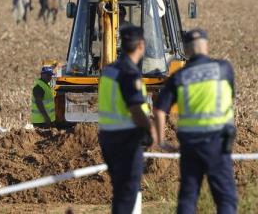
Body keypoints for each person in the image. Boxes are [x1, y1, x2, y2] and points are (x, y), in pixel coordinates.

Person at [154, 29, 237, 214]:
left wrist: (161, 142)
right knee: (225, 197)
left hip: (190, 144)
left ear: (187, 50)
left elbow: (159, 111)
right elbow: (230, 97)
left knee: (188, 196)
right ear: (206, 46)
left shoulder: (179, 77)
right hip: (218, 142)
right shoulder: (224, 69)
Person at [97, 26, 155, 214]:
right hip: (127, 141)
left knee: (121, 192)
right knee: (128, 193)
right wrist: (151, 130)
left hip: (107, 138)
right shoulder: (129, 73)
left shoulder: (108, 71)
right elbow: (136, 109)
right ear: (141, 45)